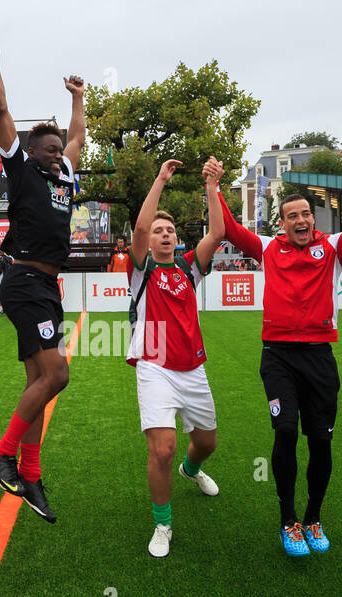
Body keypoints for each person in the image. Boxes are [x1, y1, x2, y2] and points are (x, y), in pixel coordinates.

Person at [215, 146, 342, 559]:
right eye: (293, 216)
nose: (302, 220)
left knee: (321, 443)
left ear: (312, 218)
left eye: (306, 213)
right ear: (282, 223)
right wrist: (213, 186)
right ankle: (288, 520)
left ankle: (313, 516)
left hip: (320, 358)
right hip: (278, 356)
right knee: (285, 430)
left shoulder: (335, 250)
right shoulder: (270, 249)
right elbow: (232, 230)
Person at [0, 33, 84, 523]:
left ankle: (33, 474)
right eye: (48, 148)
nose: (56, 153)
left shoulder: (65, 174)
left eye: (58, 148)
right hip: (21, 279)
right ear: (31, 149)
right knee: (57, 374)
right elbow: (0, 107)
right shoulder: (21, 169)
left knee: (39, 381)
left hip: (46, 285)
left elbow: (79, 137)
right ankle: (2, 453)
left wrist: (78, 100)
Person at [128, 158, 225, 558]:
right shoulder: (142, 270)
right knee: (163, 448)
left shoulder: (189, 268)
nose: (164, 234)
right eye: (158, 231)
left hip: (192, 369)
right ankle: (163, 523)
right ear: (148, 240)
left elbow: (217, 232)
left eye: (169, 230)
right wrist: (161, 180)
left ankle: (192, 469)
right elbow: (137, 226)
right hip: (154, 367)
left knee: (206, 443)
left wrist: (212, 187)